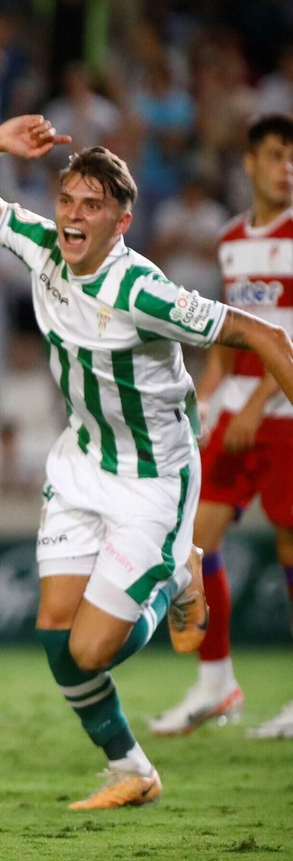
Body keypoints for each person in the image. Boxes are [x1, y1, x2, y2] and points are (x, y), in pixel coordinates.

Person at [0, 115, 293, 809]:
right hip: (81, 464)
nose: (71, 216)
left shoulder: (143, 293)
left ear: (122, 221)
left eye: (91, 207)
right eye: (67, 201)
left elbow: (261, 331)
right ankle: (134, 770)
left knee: (91, 651)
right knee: (54, 636)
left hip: (153, 479)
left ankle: (180, 574)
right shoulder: (41, 246)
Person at [151, 113, 293, 739]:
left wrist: (262, 401)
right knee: (193, 542)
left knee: (291, 549)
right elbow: (234, 332)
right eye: (274, 156)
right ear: (249, 163)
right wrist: (207, 396)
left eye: (291, 157)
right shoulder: (232, 238)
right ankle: (216, 685)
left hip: (283, 412)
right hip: (235, 410)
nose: (284, 167)